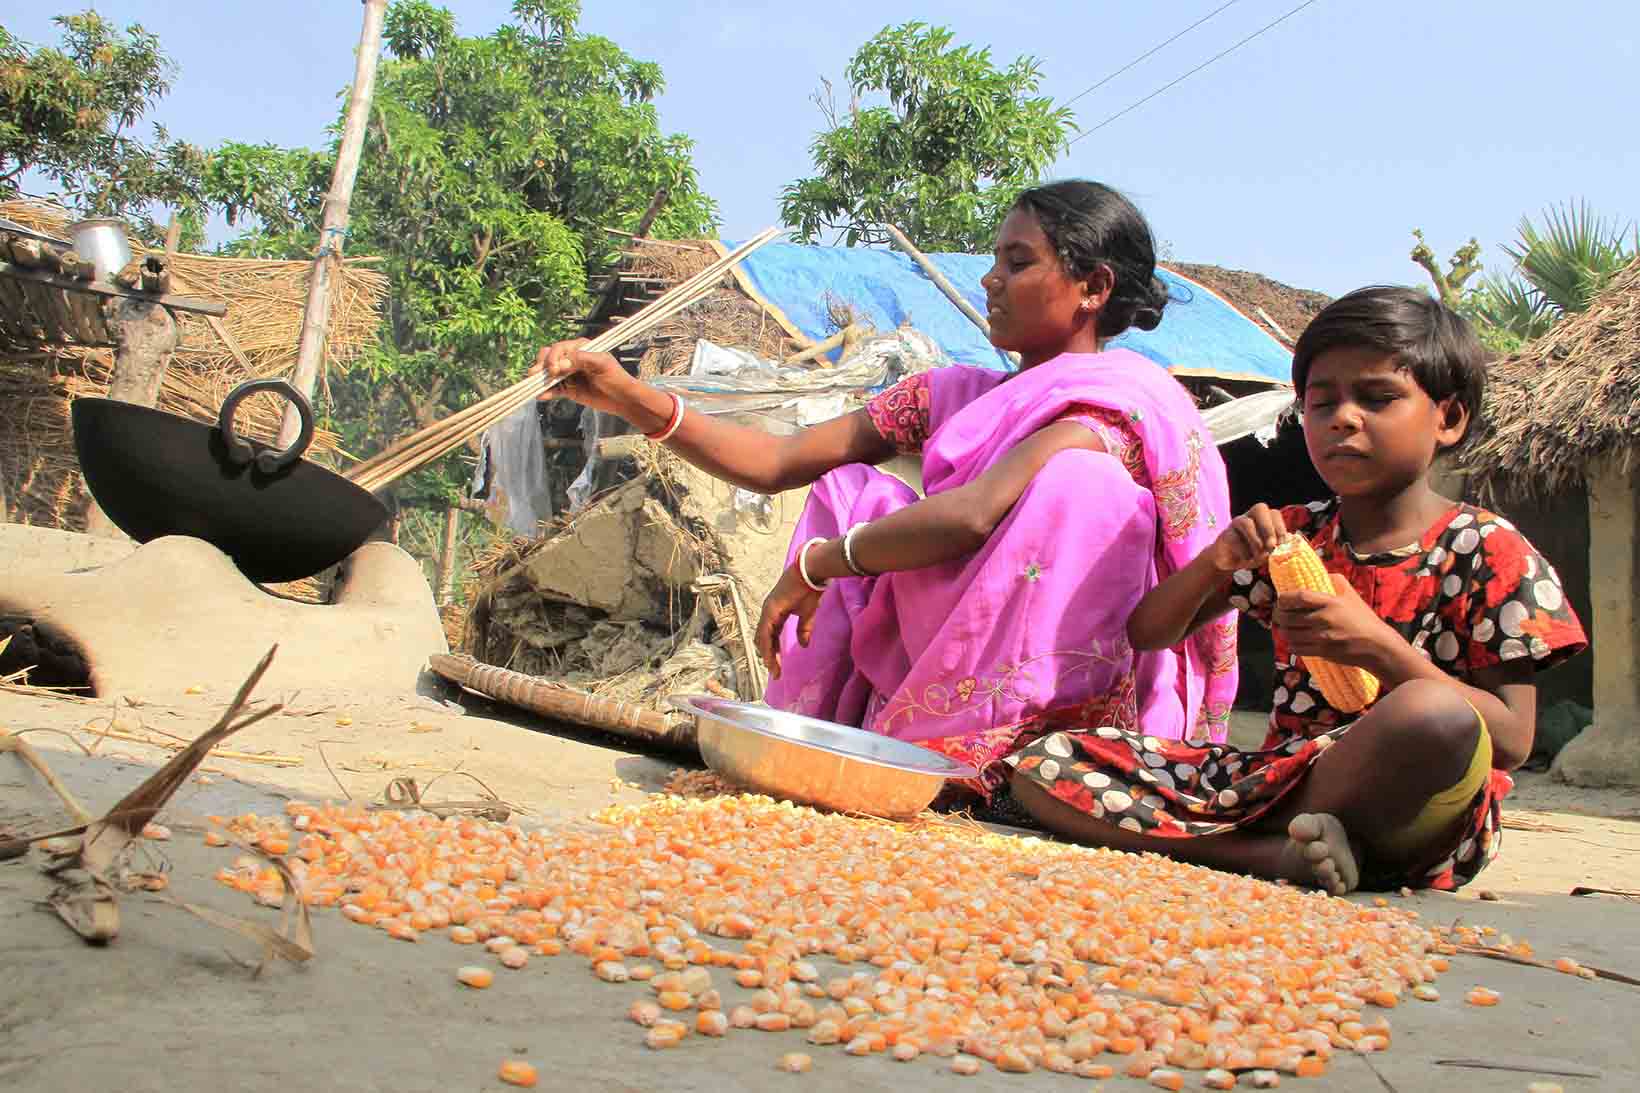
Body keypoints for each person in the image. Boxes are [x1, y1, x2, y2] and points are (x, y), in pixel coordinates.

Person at [534, 180, 1237, 807]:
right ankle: (909, 740)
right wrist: (629, 398)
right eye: (994, 259)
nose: (990, 279)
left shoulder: (1117, 406)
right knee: (853, 489)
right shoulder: (950, 396)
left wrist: (820, 563)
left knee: (1084, 485)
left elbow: (972, 515)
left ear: (1094, 287)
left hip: (1078, 732)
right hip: (924, 687)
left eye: (1018, 263)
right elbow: (781, 459)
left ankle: (1018, 758)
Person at [1008, 286, 1588, 894]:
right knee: (1044, 763)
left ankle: (1277, 839)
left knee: (1434, 715)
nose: (1343, 419)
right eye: (1321, 402)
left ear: (1449, 419)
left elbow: (1512, 741)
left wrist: (1376, 649)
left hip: (1414, 804)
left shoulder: (1488, 549)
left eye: (1377, 398)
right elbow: (1149, 632)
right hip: (1278, 780)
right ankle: (1268, 855)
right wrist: (1216, 561)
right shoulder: (1293, 535)